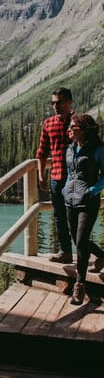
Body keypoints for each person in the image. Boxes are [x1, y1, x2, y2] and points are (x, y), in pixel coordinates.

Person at [63, 113, 104, 305]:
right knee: (78, 240)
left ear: (84, 129)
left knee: (80, 242)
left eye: (72, 127)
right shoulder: (70, 149)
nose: (69, 130)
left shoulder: (98, 149)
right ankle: (102, 256)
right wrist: (65, 189)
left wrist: (92, 191)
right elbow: (70, 173)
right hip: (70, 201)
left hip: (88, 201)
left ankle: (79, 285)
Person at [37, 88, 75, 262]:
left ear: (69, 102)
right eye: (52, 102)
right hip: (56, 177)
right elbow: (42, 152)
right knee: (59, 216)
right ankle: (65, 252)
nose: (55, 106)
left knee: (75, 218)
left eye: (58, 102)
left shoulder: (78, 121)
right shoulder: (48, 123)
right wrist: (41, 175)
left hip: (75, 179)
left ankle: (91, 253)